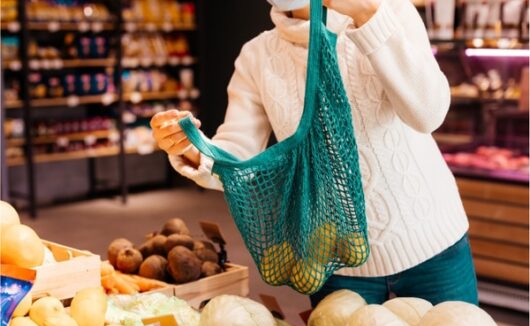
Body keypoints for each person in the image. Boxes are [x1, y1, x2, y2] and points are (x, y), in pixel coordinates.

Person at [150, 0, 478, 306]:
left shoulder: (388, 9)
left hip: (432, 249)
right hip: (337, 264)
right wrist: (194, 149)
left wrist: (368, 17)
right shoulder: (258, 56)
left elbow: (428, 114)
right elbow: (238, 156)